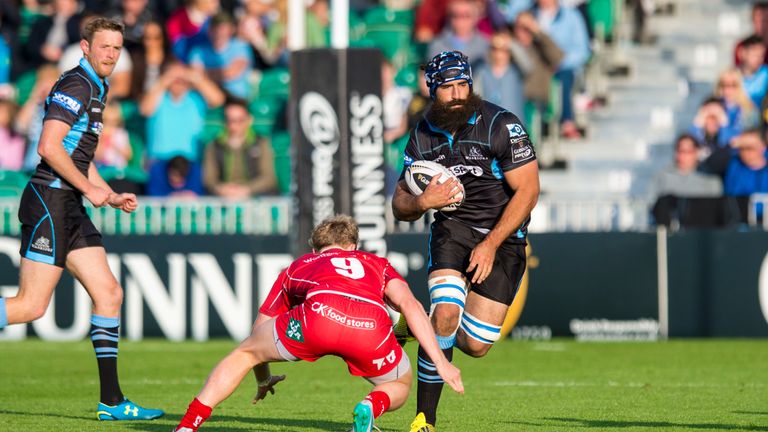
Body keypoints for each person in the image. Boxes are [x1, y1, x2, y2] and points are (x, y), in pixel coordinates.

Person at [0, 17, 164, 421]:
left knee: (109, 294)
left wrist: (104, 193)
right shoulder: (77, 84)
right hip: (50, 202)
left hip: (69, 203)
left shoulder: (97, 86)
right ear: (86, 47)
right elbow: (48, 146)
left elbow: (79, 157)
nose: (111, 53)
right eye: (104, 46)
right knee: (30, 307)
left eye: (116, 47)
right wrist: (89, 190)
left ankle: (111, 402)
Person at [172, 214, 464, 432]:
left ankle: (187, 425)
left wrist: (262, 377)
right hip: (370, 327)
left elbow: (258, 331)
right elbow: (411, 306)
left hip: (318, 318)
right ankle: (369, 406)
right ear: (353, 246)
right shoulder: (376, 263)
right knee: (399, 383)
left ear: (316, 249)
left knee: (244, 353)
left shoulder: (300, 265)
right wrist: (440, 362)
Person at [391, 50, 539, 431]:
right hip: (453, 230)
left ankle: (415, 324)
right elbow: (399, 205)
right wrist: (424, 201)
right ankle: (425, 420)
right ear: (432, 90)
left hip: (503, 239)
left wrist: (490, 245)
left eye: (463, 84)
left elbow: (528, 191)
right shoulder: (422, 134)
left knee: (475, 345)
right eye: (448, 87)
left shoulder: (500, 125)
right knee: (445, 314)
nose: (457, 93)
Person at [203, 97, 277, 197]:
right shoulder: (214, 145)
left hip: (255, 198)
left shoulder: (261, 143)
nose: (234, 125)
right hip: (225, 198)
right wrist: (221, 189)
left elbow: (269, 178)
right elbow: (209, 179)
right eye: (230, 120)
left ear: (249, 120)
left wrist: (247, 189)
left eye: (239, 120)